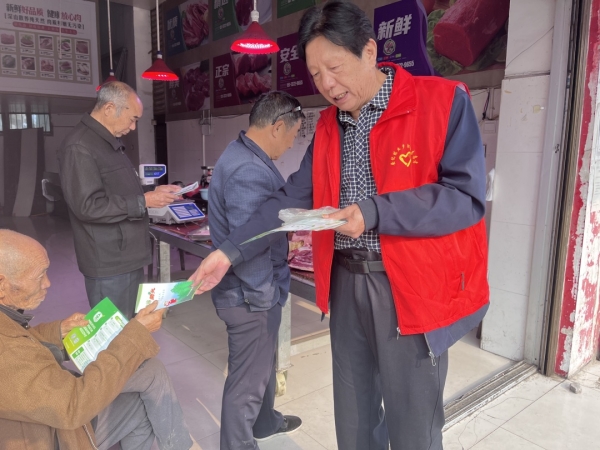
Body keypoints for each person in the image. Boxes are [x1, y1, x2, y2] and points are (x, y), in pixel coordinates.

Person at [190, 1, 490, 449]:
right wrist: (227, 252)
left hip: (410, 289)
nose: (327, 85)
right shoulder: (330, 127)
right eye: (316, 74)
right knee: (353, 419)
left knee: (413, 427)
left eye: (335, 68)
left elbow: (465, 198)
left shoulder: (442, 102)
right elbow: (288, 199)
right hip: (347, 285)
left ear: (369, 51)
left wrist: (374, 211)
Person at [0, 229, 195, 450]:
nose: (48, 283)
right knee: (143, 403)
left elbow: (21, 345)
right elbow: (73, 406)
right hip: (52, 436)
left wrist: (58, 331)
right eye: (39, 276)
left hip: (43, 418)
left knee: (152, 372)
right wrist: (136, 334)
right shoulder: (6, 352)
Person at [209, 91, 304, 450]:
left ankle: (265, 423)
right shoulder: (248, 169)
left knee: (262, 367)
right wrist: (266, 299)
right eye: (293, 135)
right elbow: (250, 244)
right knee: (246, 385)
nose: (292, 143)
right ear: (277, 127)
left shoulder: (240, 152)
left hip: (251, 291)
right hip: (250, 296)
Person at [58, 81, 181, 319]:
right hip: (109, 260)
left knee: (130, 324)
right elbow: (88, 206)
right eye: (132, 119)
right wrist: (144, 201)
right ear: (109, 108)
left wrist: (154, 192)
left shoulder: (106, 142)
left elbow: (118, 188)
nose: (133, 127)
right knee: (113, 328)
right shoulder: (79, 146)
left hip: (127, 255)